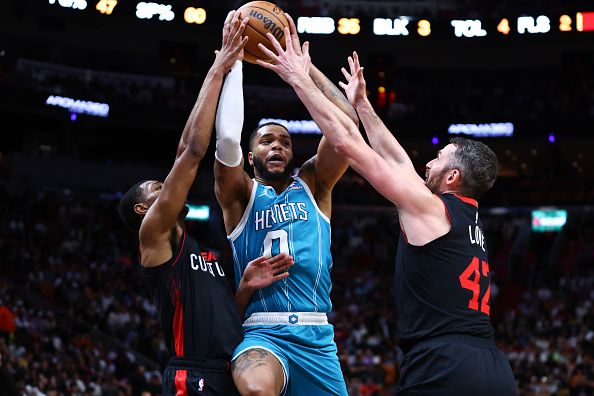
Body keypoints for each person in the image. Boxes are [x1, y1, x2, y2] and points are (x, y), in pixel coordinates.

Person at [256, 29, 519, 395]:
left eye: (437, 159)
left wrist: (298, 78)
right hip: (492, 366)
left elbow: (348, 144)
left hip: (444, 365)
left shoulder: (427, 206)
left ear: (452, 176)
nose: (426, 163)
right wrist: (362, 104)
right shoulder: (464, 216)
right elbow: (396, 158)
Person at [117, 12, 293, 396]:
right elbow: (192, 150)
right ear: (143, 210)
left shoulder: (199, 249)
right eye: (154, 188)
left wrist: (244, 288)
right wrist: (221, 65)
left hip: (230, 369)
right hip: (191, 374)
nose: (163, 186)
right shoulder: (155, 236)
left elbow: (220, 316)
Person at [213, 13, 358, 396]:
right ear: (250, 157)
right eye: (266, 141)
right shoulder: (239, 195)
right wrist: (235, 65)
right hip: (262, 329)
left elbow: (347, 123)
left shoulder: (315, 183)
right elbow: (226, 141)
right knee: (258, 391)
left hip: (316, 334)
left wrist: (302, 69)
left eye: (284, 141)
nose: (277, 145)